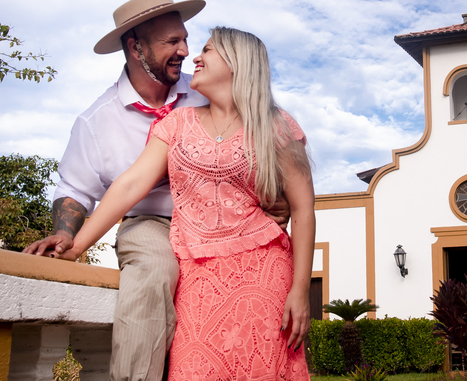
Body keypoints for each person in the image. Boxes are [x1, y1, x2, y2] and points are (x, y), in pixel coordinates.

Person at [60, 26, 316, 381]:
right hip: (197, 272)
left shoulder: (276, 126)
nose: (195, 55)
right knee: (194, 368)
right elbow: (130, 185)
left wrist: (300, 292)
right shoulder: (177, 122)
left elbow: (303, 210)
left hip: (264, 272)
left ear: (237, 63)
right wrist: (75, 247)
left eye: (208, 50)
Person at [23, 0, 211, 381]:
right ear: (135, 47)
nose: (184, 50)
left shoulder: (207, 92)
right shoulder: (96, 121)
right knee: (153, 269)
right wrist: (64, 234)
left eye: (185, 38)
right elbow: (75, 189)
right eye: (172, 41)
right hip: (151, 222)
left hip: (215, 218)